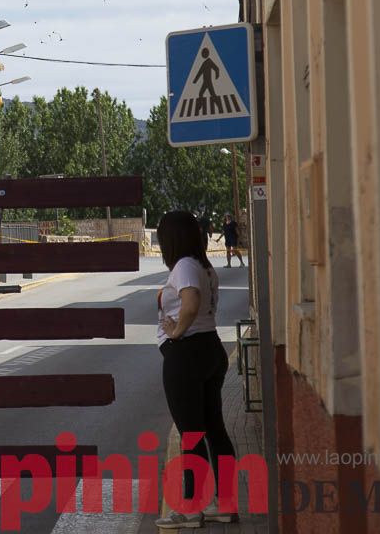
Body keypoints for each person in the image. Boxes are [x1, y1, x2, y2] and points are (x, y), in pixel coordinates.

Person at [154, 210, 237, 529]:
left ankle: (190, 509)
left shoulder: (184, 267)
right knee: (214, 430)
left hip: (187, 354)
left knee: (191, 435)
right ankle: (225, 504)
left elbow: (189, 303)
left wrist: (175, 333)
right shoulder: (203, 265)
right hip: (209, 349)